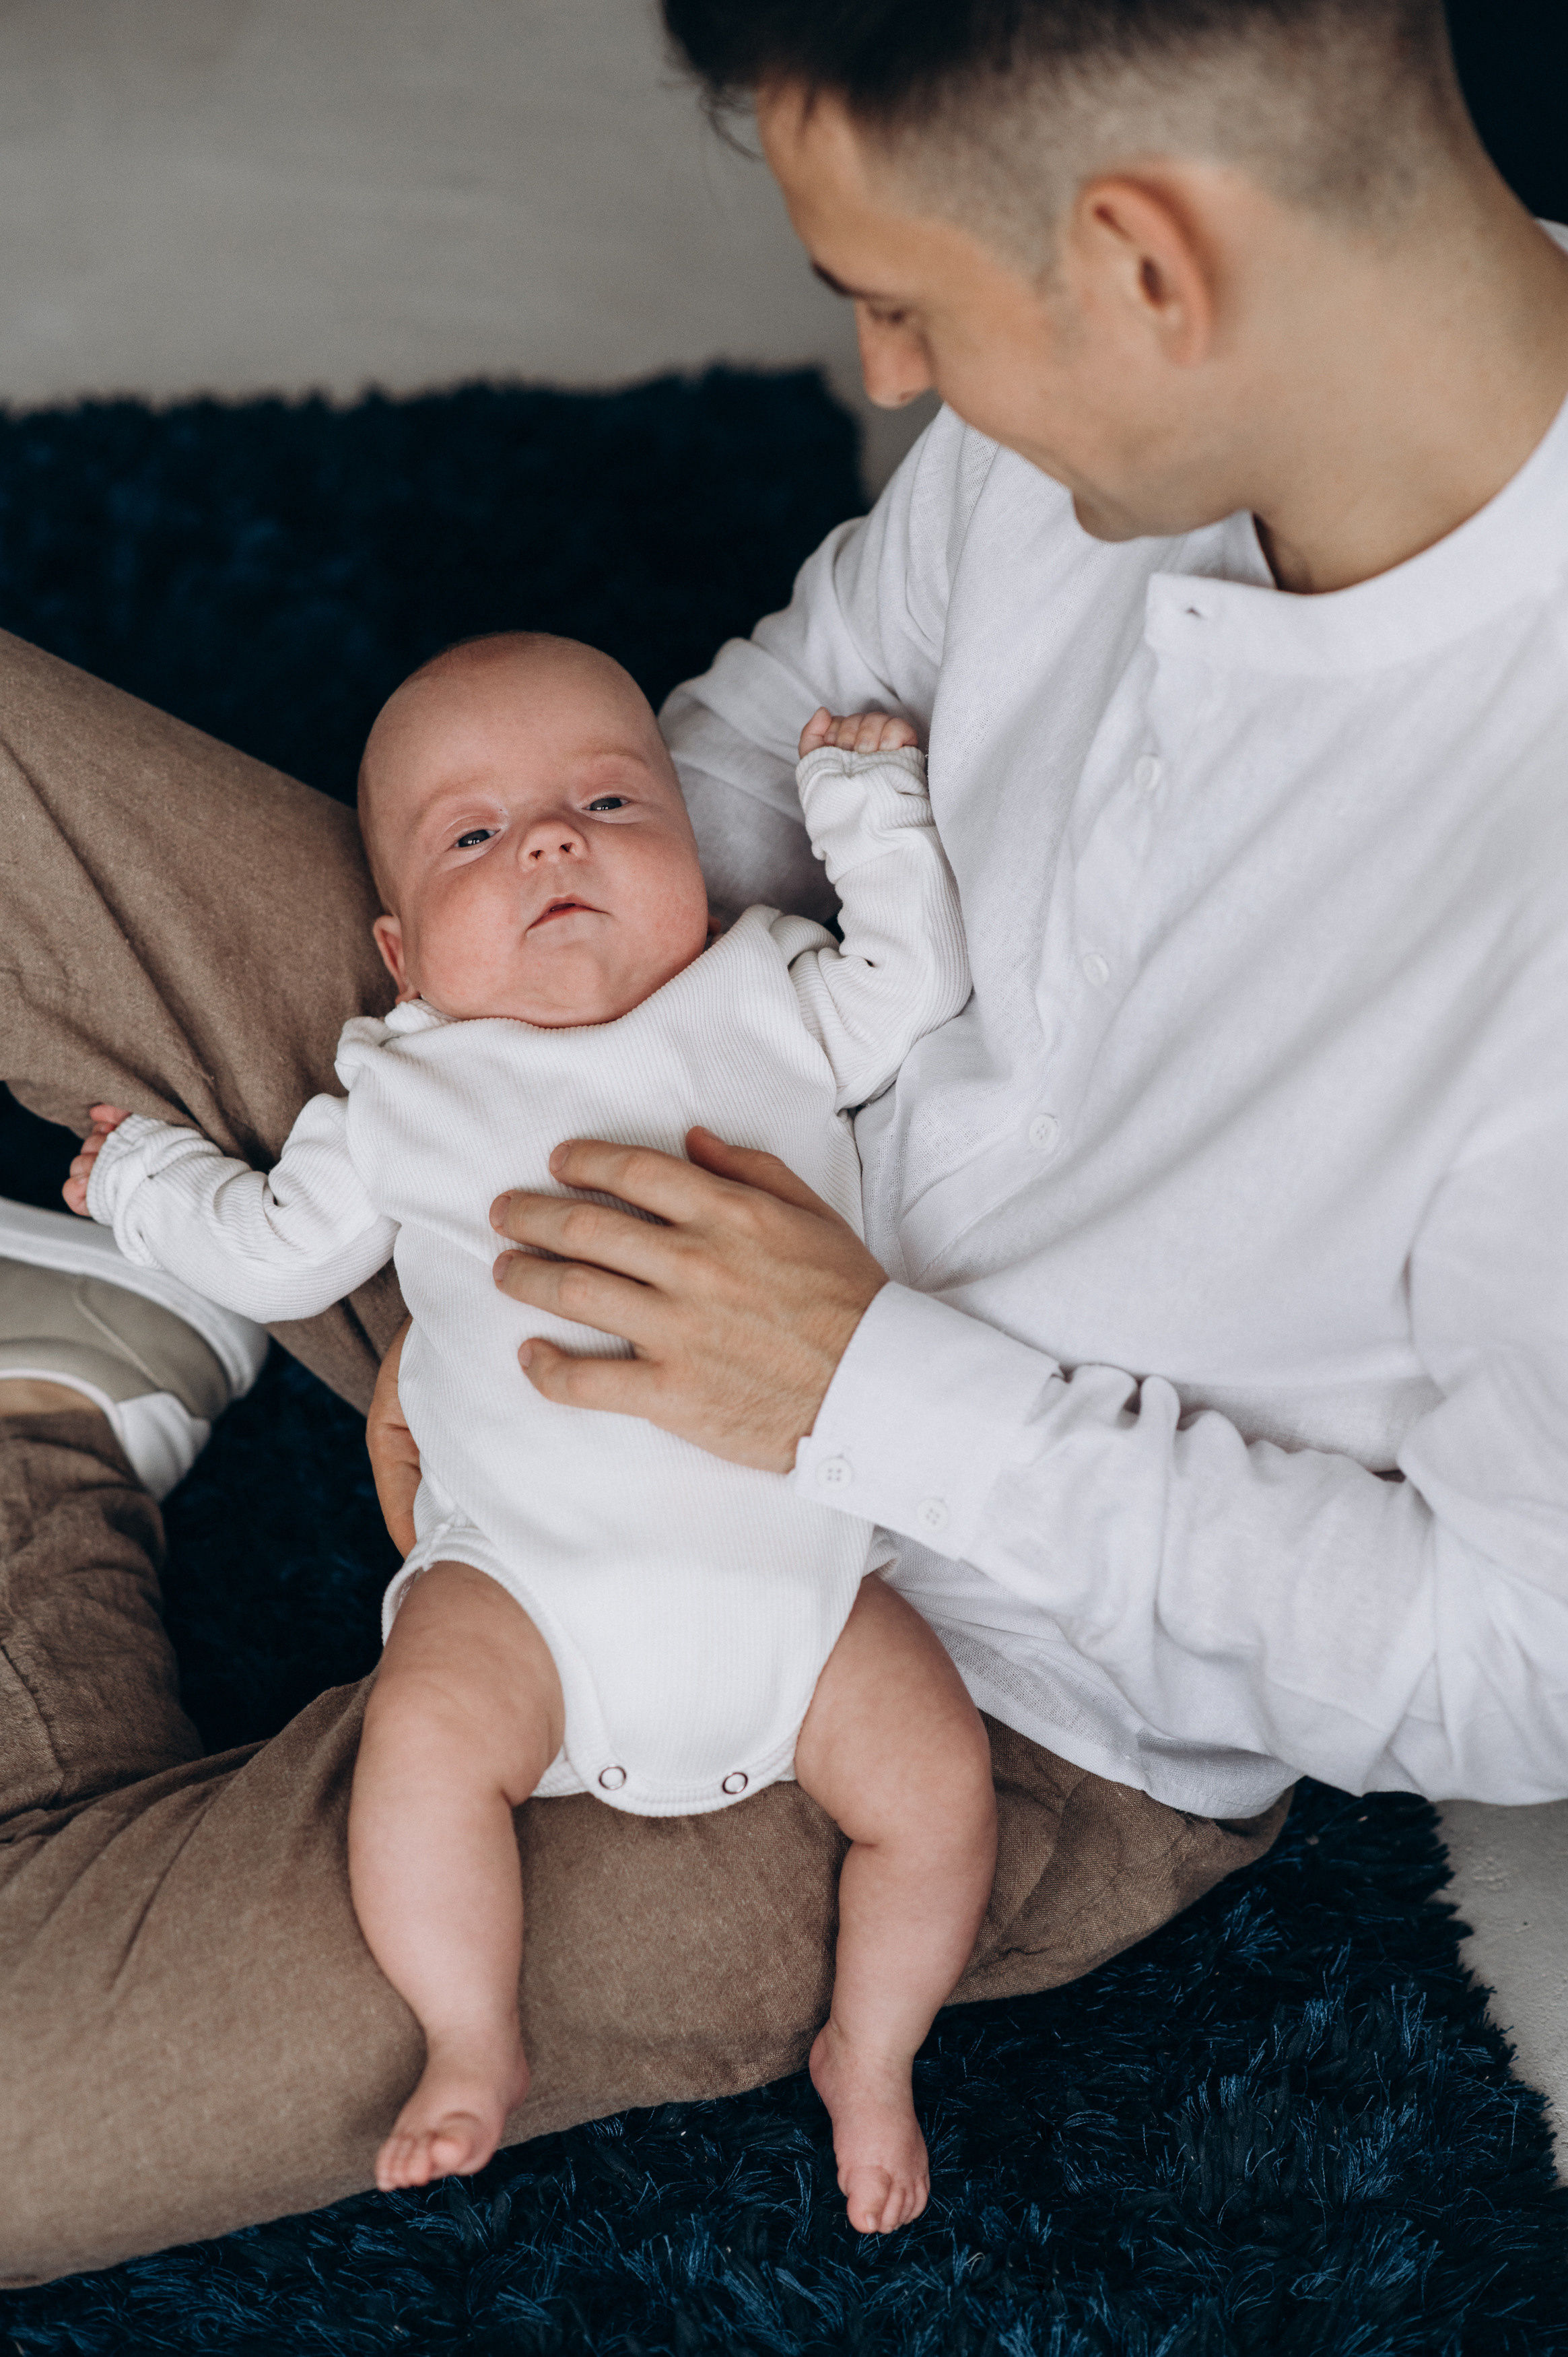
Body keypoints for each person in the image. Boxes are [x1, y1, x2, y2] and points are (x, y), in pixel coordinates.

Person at [1, 0, 1553, 2286]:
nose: (893, 383)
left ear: (1143, 265)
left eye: (902, 303)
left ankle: (52, 1400)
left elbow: (1520, 1655)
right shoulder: (1087, 439)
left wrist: (853, 1389)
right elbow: (764, 720)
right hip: (604, 1095)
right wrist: (535, 994)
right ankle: (167, 1307)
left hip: (949, 1674)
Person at [69, 629, 994, 2234]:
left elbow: (911, 978)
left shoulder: (764, 992)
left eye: (611, 802)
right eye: (476, 837)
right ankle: (471, 2033)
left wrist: (865, 811)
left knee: (937, 1787)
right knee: (424, 1751)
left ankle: (876, 2042)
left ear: (695, 859)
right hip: (530, 1596)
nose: (556, 840)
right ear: (402, 951)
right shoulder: (412, 1083)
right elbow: (284, 1245)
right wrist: (145, 1182)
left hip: (808, 1594)